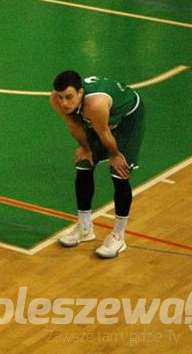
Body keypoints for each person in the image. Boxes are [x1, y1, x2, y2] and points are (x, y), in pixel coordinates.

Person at [50, 70, 145, 259]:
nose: (64, 103)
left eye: (69, 97)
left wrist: (115, 155)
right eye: (60, 97)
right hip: (101, 122)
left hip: (127, 119)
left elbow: (104, 133)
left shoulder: (95, 104)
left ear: (80, 92)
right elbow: (74, 126)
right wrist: (86, 148)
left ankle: (118, 236)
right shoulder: (56, 101)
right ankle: (85, 228)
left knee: (119, 172)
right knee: (84, 163)